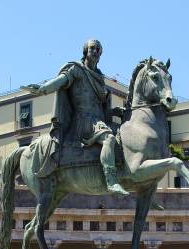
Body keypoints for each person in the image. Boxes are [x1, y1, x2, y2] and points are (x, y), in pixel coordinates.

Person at [24, 39, 128, 196]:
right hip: (84, 121)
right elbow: (60, 81)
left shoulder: (99, 77)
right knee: (109, 139)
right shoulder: (76, 69)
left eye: (98, 49)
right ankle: (111, 181)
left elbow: (100, 107)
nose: (95, 51)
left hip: (98, 120)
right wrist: (43, 89)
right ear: (85, 51)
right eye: (92, 48)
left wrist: (114, 111)